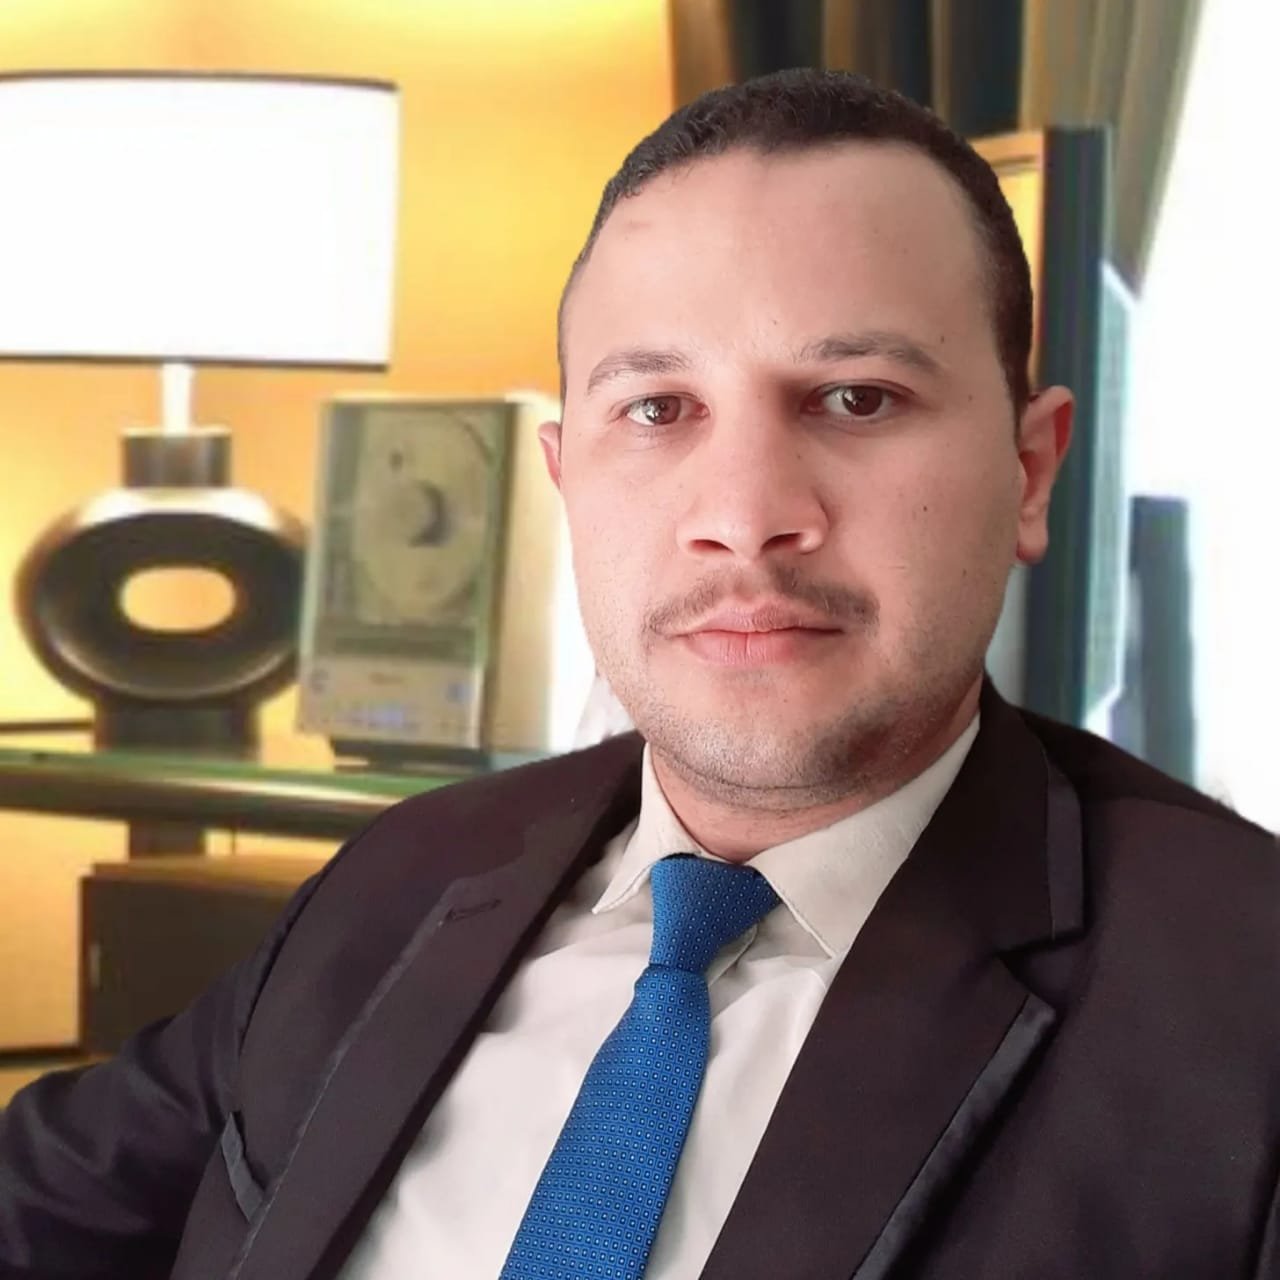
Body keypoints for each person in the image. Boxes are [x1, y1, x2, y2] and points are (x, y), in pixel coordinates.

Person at [2, 68, 1276, 1280]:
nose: (744, 515)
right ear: (567, 481)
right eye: (658, 409)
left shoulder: (1238, 1003)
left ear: (1030, 470)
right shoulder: (404, 878)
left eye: (854, 398)